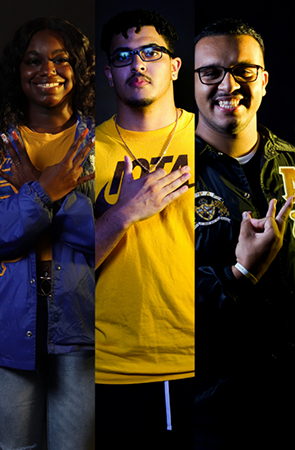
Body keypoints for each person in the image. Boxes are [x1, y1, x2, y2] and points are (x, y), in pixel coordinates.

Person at [0, 17, 96, 450]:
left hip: (81, 316)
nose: (47, 70)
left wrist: (38, 187)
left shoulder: (100, 143)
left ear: (78, 69)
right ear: (17, 71)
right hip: (9, 315)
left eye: (60, 59)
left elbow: (104, 236)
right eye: (33, 60)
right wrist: (44, 193)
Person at [93, 9, 194, 449]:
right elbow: (63, 274)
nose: (137, 63)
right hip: (112, 368)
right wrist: (123, 214)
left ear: (174, 66)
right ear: (108, 74)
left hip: (201, 364)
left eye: (151, 52)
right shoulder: (83, 151)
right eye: (123, 56)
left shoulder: (211, 138)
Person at [192, 18, 294, 449]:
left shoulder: (293, 164)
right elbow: (158, 296)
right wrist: (240, 272)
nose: (228, 84)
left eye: (243, 71)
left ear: (264, 80)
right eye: (211, 72)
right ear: (192, 82)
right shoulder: (169, 176)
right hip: (211, 413)